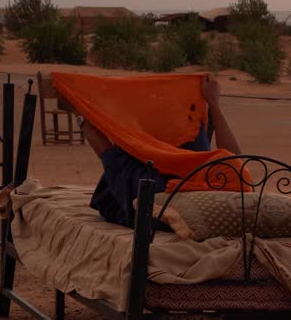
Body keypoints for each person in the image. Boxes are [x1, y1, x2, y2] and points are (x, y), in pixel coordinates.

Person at [81, 75, 242, 226]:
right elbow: (237, 160)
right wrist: (214, 104)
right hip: (202, 190)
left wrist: (80, 112)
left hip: (154, 198)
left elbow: (108, 154)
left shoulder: (148, 179)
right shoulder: (208, 169)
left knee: (124, 162)